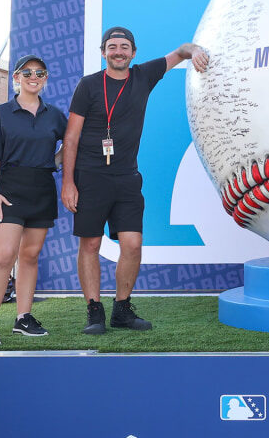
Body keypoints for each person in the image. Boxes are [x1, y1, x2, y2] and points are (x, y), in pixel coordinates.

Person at [61, 27, 209, 335]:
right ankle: (94, 312)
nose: (118, 51)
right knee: (89, 243)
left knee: (132, 244)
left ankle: (122, 310)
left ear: (133, 52)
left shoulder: (143, 75)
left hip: (127, 178)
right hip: (89, 177)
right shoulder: (88, 86)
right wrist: (68, 183)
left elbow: (181, 49)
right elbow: (71, 138)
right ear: (104, 52)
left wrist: (194, 51)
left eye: (124, 46)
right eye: (112, 46)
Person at [0, 55, 67, 345]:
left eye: (40, 72)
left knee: (30, 255)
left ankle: (23, 318)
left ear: (45, 78)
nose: (34, 76)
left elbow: (70, 144)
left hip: (41, 189)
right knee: (5, 256)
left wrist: (55, 161)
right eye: (27, 72)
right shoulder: (1, 114)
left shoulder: (55, 115)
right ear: (17, 78)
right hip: (9, 191)